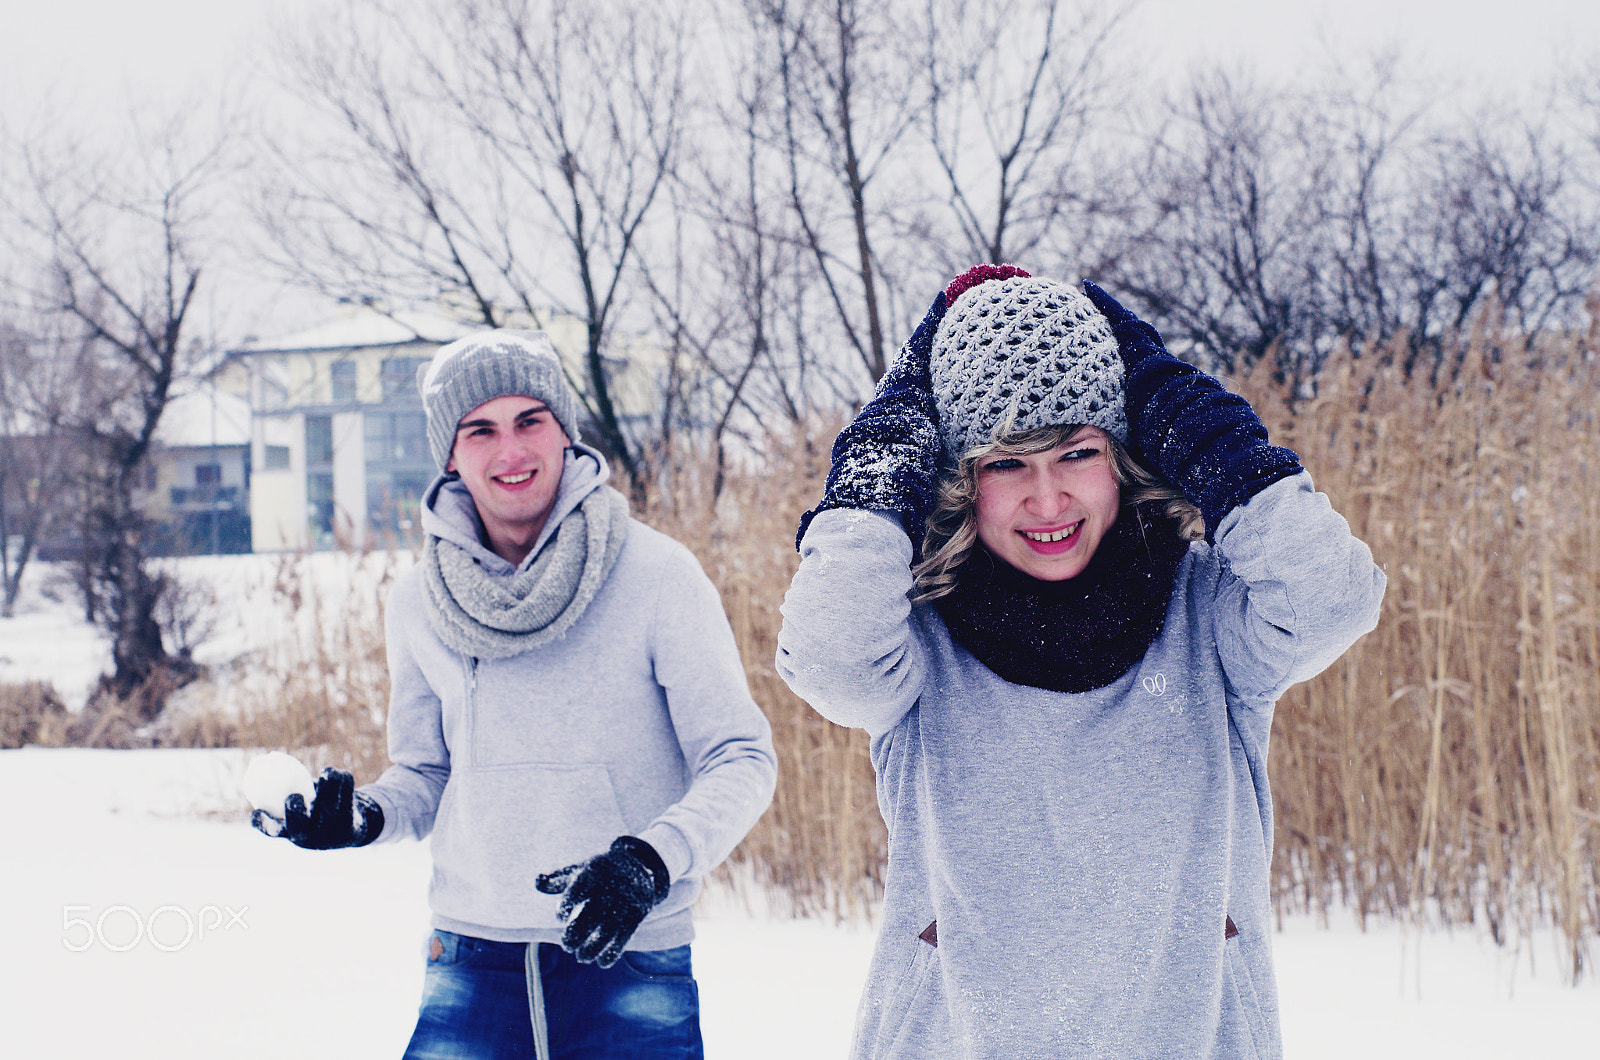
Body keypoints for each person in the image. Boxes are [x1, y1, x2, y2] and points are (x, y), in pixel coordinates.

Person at [775, 264, 1385, 1059]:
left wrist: (1179, 402)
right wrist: (881, 452)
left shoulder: (1209, 615)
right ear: (959, 481)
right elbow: (827, 659)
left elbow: (1334, 599)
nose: (1048, 499)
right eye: (1004, 464)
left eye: (1075, 453)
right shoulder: (915, 640)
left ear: (1126, 454)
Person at [252, 329, 778, 1060]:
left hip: (626, 956)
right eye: (481, 430)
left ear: (565, 432)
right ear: (450, 453)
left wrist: (650, 861)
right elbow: (428, 776)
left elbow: (742, 758)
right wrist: (363, 818)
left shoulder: (658, 575)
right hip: (471, 961)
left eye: (531, 420)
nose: (512, 451)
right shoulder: (417, 603)